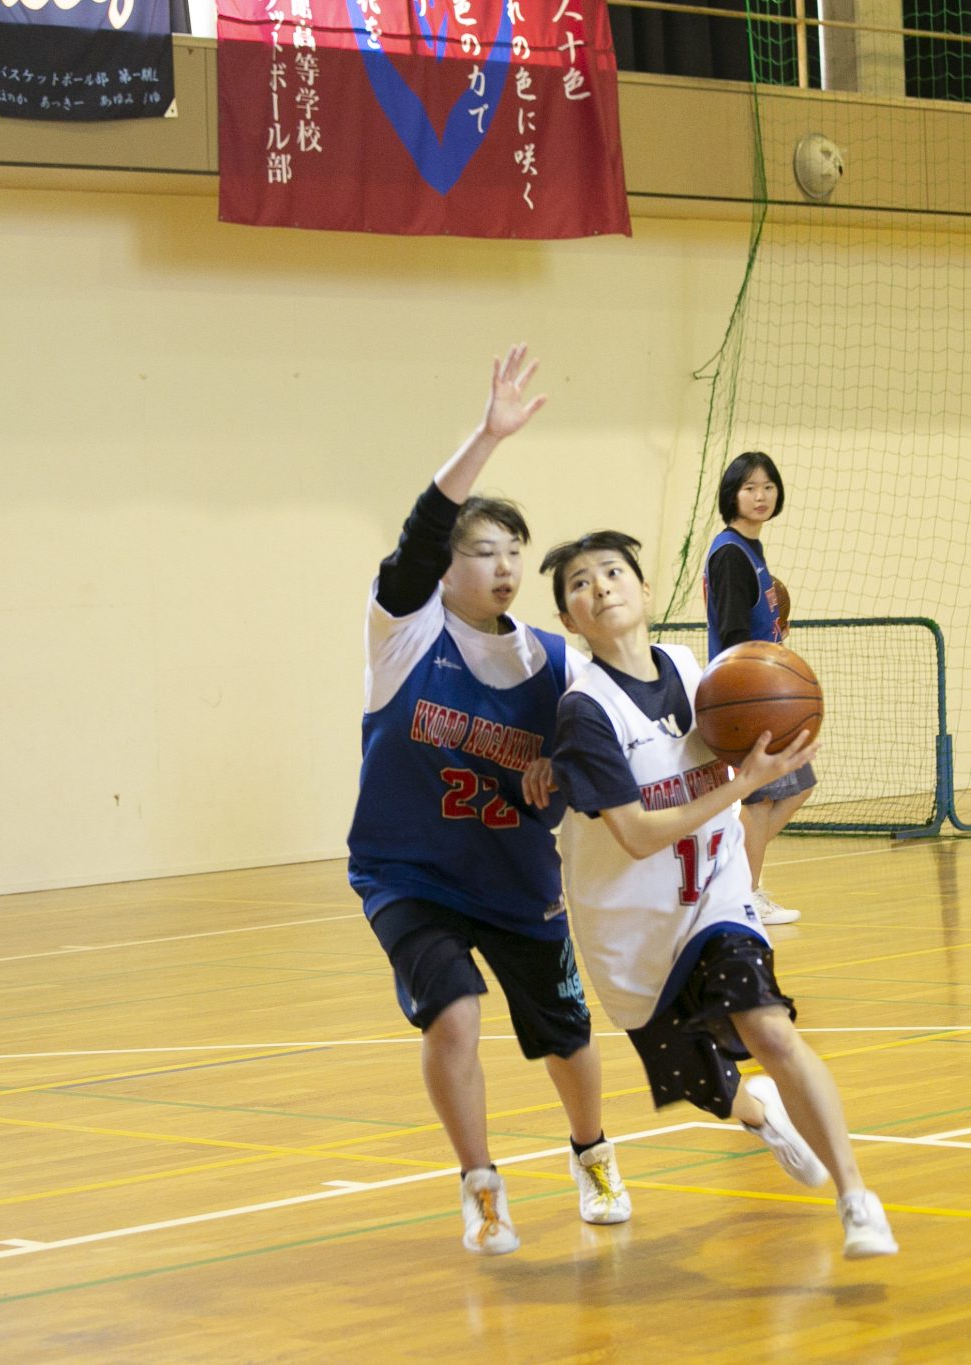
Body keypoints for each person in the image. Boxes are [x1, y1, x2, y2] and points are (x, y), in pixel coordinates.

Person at [539, 529, 900, 1259]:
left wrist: (775, 738)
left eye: (613, 572)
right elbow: (637, 835)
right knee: (708, 1086)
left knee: (769, 1027)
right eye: (580, 583)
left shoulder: (701, 673)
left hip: (715, 896)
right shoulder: (586, 713)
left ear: (646, 592)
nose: (600, 586)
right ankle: (758, 1113)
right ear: (571, 624)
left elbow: (745, 742)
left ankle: (856, 1195)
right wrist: (743, 786)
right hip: (632, 933)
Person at [346, 345, 629, 1257]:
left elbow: (606, 757)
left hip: (515, 876)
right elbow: (419, 533)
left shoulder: (556, 661)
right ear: (446, 568)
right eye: (482, 551)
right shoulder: (403, 631)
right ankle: (481, 1185)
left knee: (565, 1035)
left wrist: (565, 769)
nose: (503, 565)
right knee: (454, 1011)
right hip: (408, 873)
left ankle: (591, 1153)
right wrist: (488, 435)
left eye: (514, 551)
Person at [702, 451, 811, 925]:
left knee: (793, 787)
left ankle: (742, 881)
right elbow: (729, 631)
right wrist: (752, 685)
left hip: (764, 691)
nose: (761, 495)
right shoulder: (730, 554)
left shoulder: (748, 548)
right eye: (750, 488)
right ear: (732, 495)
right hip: (748, 694)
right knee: (761, 798)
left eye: (768, 486)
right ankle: (742, 892)